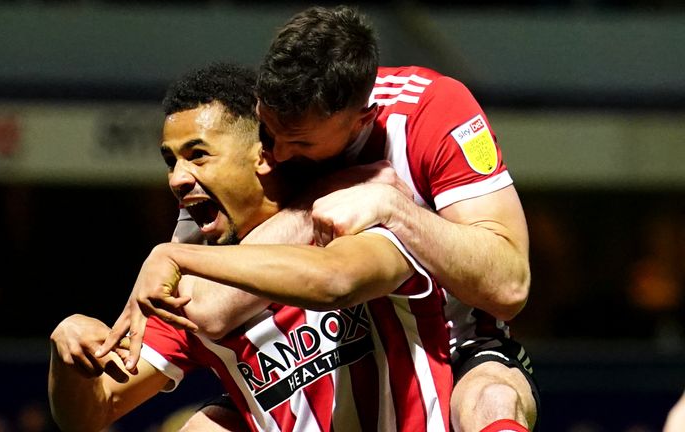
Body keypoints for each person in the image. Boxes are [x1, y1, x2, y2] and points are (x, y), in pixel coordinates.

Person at [98, 5, 538, 432]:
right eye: (270, 132)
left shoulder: (432, 112)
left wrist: (394, 207)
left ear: (360, 120)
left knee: (492, 400)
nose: (278, 156)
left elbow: (509, 285)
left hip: (447, 343)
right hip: (304, 360)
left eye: (301, 144)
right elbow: (207, 305)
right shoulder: (248, 147)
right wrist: (327, 195)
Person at [49, 63, 452, 432]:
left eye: (198, 156)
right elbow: (91, 414)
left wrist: (172, 255)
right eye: (171, 161)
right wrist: (67, 351)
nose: (177, 178)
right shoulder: (191, 289)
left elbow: (336, 282)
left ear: (263, 153)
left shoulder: (353, 217)